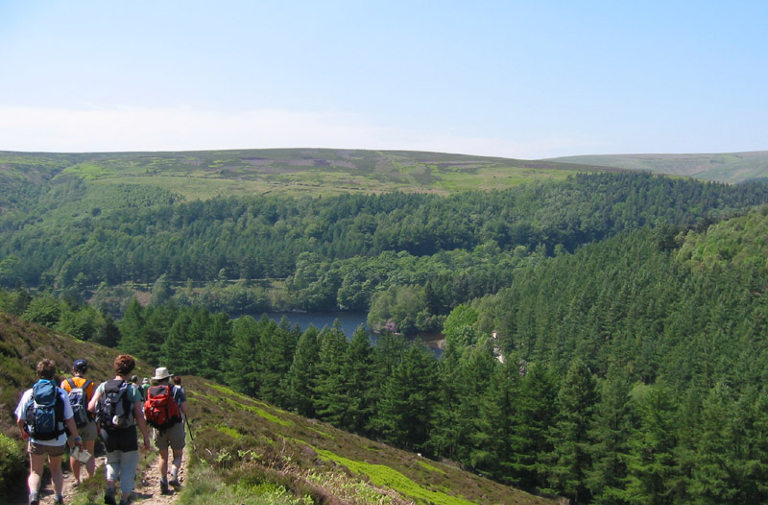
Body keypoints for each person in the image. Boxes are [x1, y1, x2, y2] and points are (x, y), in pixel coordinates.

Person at [15, 359, 83, 505]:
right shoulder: (60, 393)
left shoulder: (30, 393)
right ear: (53, 374)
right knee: (56, 469)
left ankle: (33, 495)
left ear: (38, 373)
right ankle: (58, 497)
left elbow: (20, 419)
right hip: (57, 438)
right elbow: (69, 420)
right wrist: (76, 438)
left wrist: (23, 432)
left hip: (36, 438)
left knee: (35, 471)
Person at [88, 355, 150, 505]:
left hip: (107, 432)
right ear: (130, 371)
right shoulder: (132, 389)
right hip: (127, 432)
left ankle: (110, 486)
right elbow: (139, 415)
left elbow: (90, 407)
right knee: (128, 465)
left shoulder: (103, 386)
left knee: (111, 460)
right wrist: (146, 437)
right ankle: (124, 498)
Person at [147, 367, 189, 494]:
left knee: (162, 456)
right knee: (178, 454)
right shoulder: (176, 390)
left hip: (159, 427)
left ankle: (163, 481)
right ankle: (174, 476)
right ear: (168, 378)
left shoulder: (151, 391)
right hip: (175, 425)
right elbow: (185, 409)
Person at [60, 358, 97, 486]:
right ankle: (91, 478)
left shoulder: (65, 383)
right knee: (90, 452)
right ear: (85, 370)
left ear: (73, 369)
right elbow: (93, 405)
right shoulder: (90, 384)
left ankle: (77, 480)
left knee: (75, 451)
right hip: (87, 420)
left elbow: (62, 403)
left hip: (71, 422)